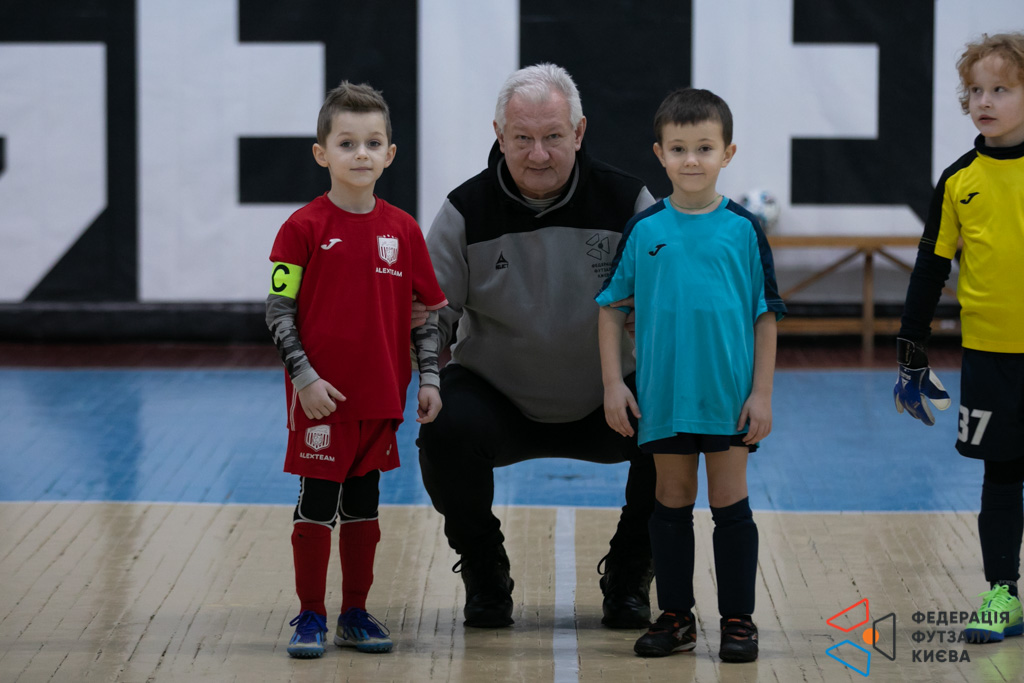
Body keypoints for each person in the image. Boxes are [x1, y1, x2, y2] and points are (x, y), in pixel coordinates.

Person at [415, 63, 658, 629]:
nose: (538, 153)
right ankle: (484, 566)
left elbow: (667, 308)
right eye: (522, 137)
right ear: (499, 136)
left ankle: (630, 569)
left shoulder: (629, 202)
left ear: (579, 132)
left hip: (611, 402)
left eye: (553, 136)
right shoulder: (464, 210)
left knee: (675, 416)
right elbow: (432, 313)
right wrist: (424, 373)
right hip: (499, 401)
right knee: (443, 425)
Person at [596, 88, 785, 662]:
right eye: (678, 148)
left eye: (704, 147)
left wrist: (762, 394)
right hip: (665, 397)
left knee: (730, 503)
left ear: (728, 153)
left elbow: (765, 315)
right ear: (660, 153)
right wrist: (613, 385)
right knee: (671, 502)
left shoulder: (744, 229)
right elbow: (610, 308)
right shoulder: (646, 228)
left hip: (728, 397)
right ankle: (676, 617)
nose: (692, 160)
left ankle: (738, 621)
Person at [265, 81, 448, 657]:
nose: (360, 154)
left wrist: (430, 378)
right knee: (318, 504)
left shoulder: (404, 230)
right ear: (322, 153)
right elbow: (278, 310)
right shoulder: (302, 228)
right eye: (346, 143)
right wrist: (305, 379)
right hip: (321, 400)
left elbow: (426, 315)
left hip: (381, 401)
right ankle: (310, 615)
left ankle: (356, 613)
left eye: (372, 143)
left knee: (364, 506)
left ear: (390, 153)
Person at [894, 32, 1024, 644]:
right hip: (991, 357)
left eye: (1001, 89)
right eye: (975, 90)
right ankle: (1003, 594)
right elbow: (930, 267)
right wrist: (910, 347)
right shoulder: (958, 180)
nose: (984, 101)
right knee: (1001, 475)